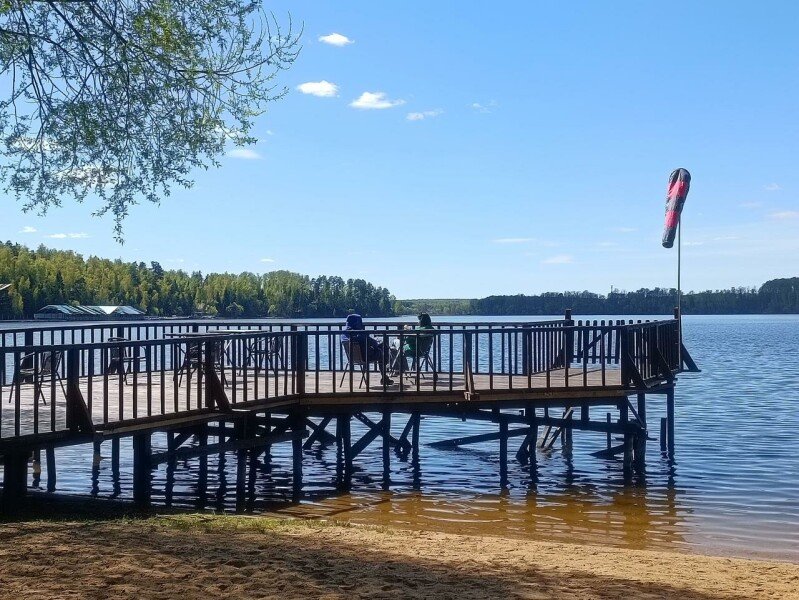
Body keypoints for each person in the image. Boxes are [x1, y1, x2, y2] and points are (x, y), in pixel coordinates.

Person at [341, 312, 394, 385]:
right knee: (382, 351)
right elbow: (373, 343)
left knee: (381, 350)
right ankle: (385, 375)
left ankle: (386, 371)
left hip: (352, 358)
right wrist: (376, 344)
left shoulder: (344, 334)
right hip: (365, 357)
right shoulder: (359, 333)